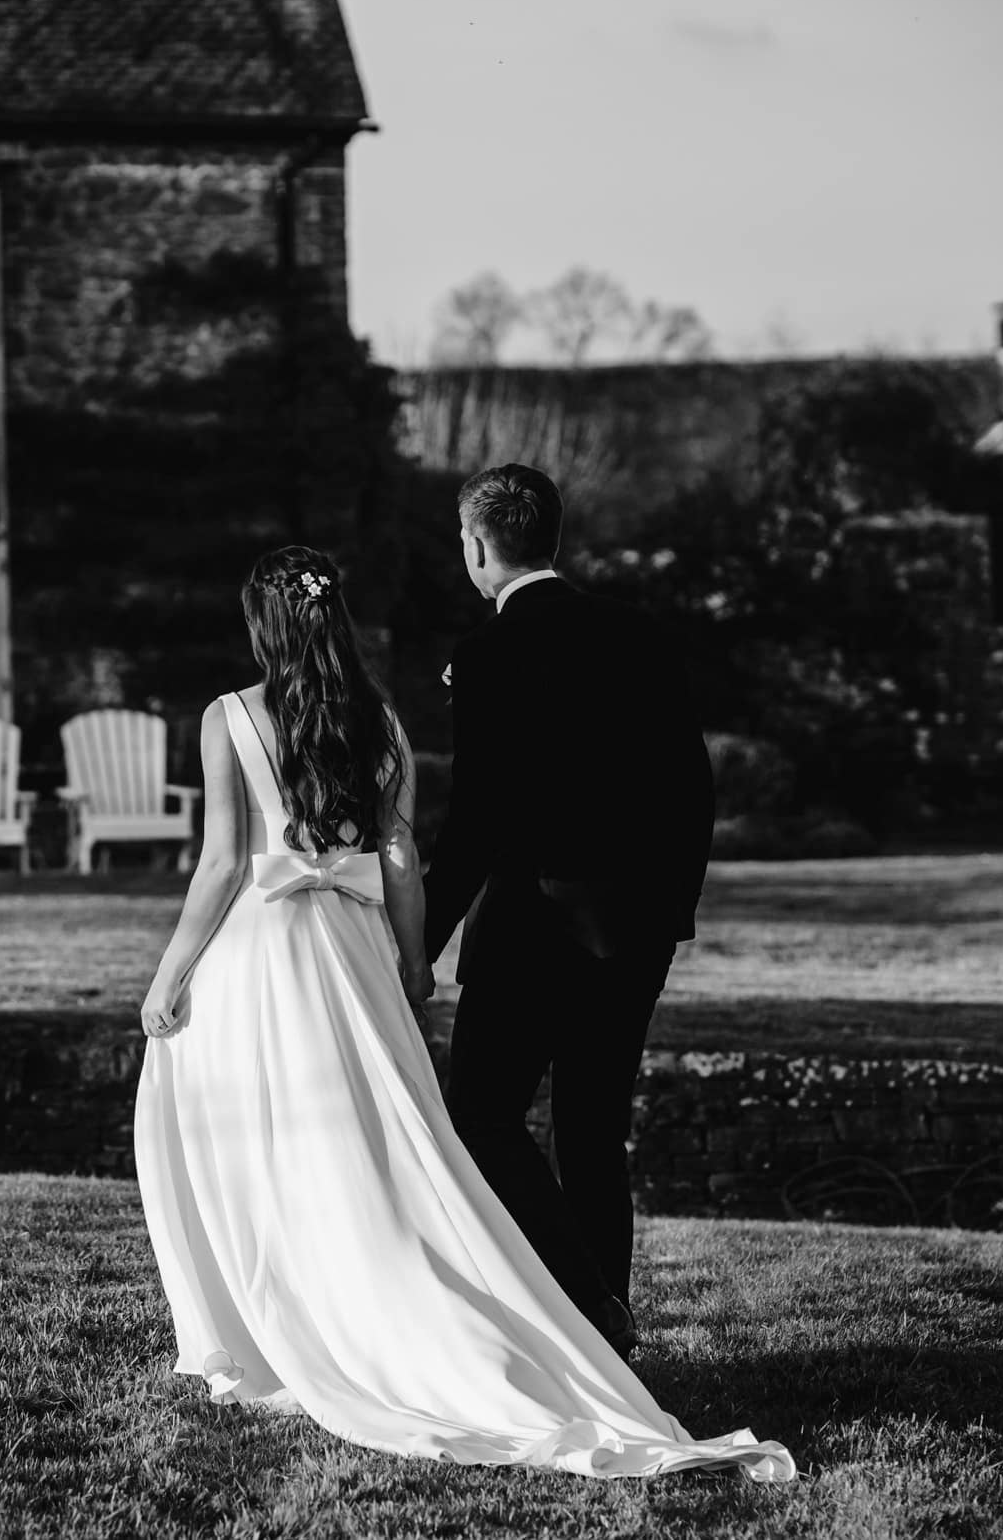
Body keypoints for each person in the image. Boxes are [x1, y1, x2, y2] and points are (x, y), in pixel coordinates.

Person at [132, 544, 789, 1480]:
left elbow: (222, 866)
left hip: (263, 955)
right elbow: (400, 854)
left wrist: (169, 976)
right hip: (356, 953)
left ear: (261, 625)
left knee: (271, 1130)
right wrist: (412, 958)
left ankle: (286, 1322)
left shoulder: (230, 716)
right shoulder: (383, 721)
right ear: (336, 618)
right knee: (386, 1138)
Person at [422, 464, 718, 1357]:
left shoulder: (484, 656)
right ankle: (609, 1335)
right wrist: (669, 906)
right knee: (593, 1131)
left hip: (530, 929)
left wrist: (419, 943)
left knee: (481, 1114)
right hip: (637, 929)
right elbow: (691, 786)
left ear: (478, 545)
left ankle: (591, 1306)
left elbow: (476, 816)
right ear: (552, 536)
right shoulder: (640, 634)